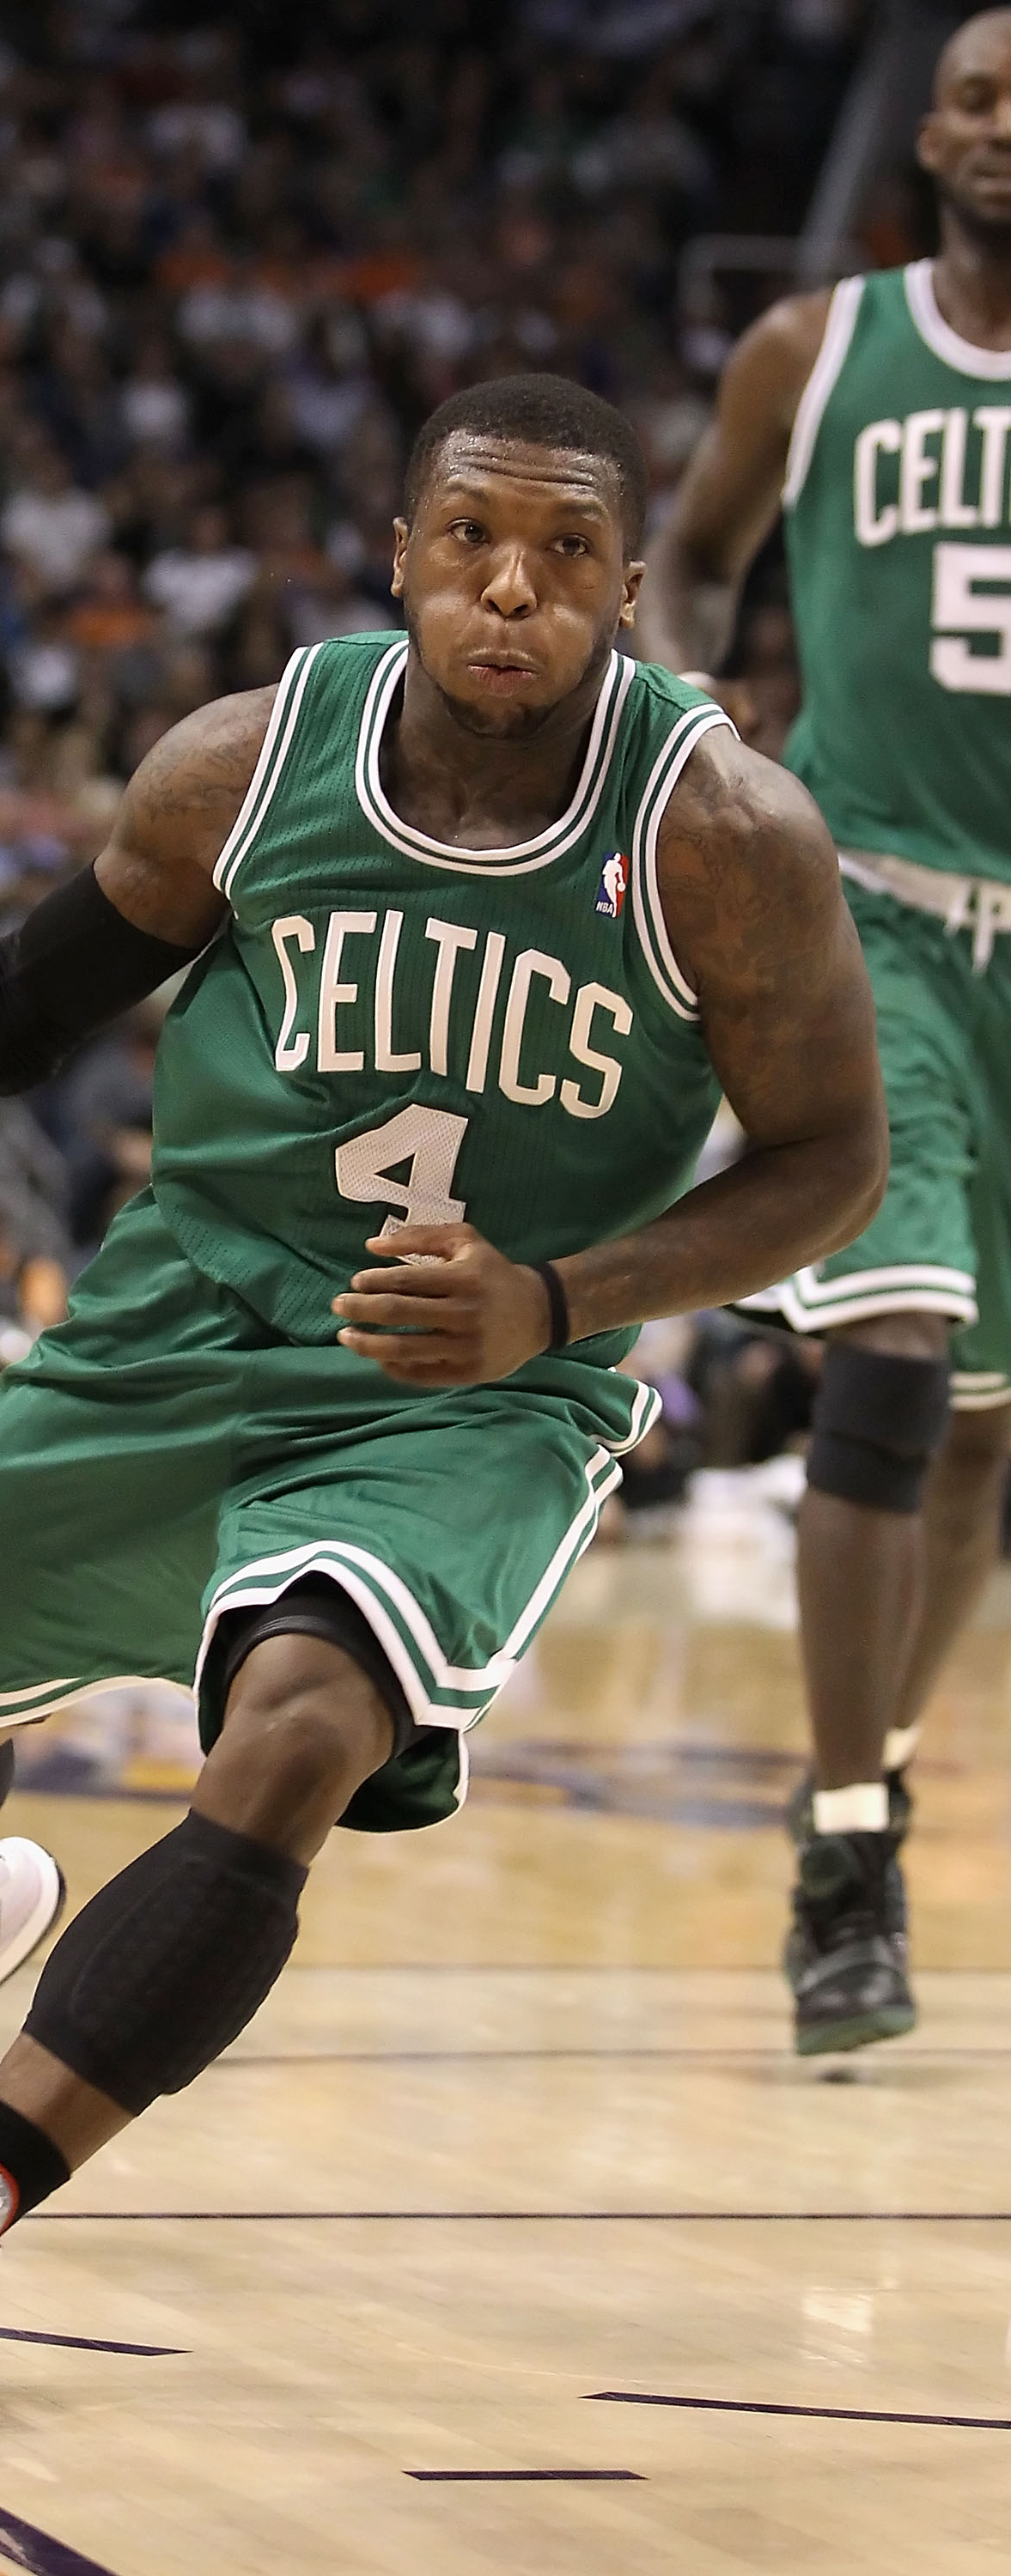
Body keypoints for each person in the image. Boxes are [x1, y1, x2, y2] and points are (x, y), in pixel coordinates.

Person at [0, 375, 885, 2425]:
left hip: (466, 1386)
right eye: (470, 542)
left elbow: (828, 1165)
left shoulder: (721, 834)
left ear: (630, 590)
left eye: (562, 555)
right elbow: (14, 1007)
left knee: (297, 1737)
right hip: (185, 1311)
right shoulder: (247, 765)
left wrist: (561, 1299)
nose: (511, 591)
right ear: (398, 555)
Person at [637, 8, 1011, 2057]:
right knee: (891, 1361)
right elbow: (688, 563)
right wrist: (696, 724)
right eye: (973, 94)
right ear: (931, 132)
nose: (1001, 128)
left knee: (980, 1438)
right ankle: (853, 1845)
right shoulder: (820, 353)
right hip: (874, 916)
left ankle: (856, 1773)